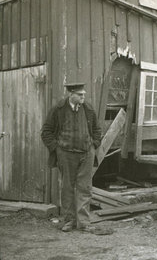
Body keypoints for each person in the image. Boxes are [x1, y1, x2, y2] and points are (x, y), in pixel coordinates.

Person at [41, 83, 102, 232]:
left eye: (84, 94)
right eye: (80, 95)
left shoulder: (88, 108)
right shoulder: (58, 109)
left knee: (85, 188)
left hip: (86, 153)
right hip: (66, 154)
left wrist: (94, 145)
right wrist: (57, 149)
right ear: (71, 94)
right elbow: (46, 131)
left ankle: (84, 222)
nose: (83, 97)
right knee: (67, 187)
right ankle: (69, 220)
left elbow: (97, 129)